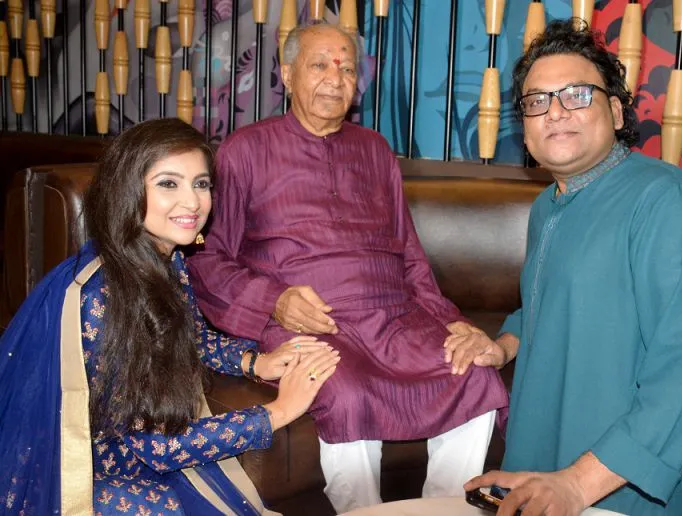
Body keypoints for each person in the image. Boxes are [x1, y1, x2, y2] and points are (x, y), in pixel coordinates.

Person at [187, 23, 509, 512]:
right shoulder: (244, 150)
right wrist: (275, 300)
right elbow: (208, 259)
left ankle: (443, 508)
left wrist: (454, 321)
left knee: (472, 374)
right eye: (320, 65)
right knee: (346, 391)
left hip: (395, 319)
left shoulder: (375, 149)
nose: (336, 79)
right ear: (288, 73)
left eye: (347, 67)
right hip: (311, 323)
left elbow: (409, 254)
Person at [451, 20, 682, 516]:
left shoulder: (671, 203)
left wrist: (578, 485)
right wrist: (501, 346)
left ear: (616, 108)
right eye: (537, 100)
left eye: (577, 95)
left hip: (628, 494)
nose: (556, 112)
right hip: (548, 477)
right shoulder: (548, 206)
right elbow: (548, 301)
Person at [0, 118, 340, 515]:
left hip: (135, 454)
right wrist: (279, 411)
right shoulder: (105, 295)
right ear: (128, 190)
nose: (193, 202)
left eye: (201, 183)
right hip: (85, 472)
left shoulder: (162, 259)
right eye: (168, 183)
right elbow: (159, 447)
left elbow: (187, 338)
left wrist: (255, 361)